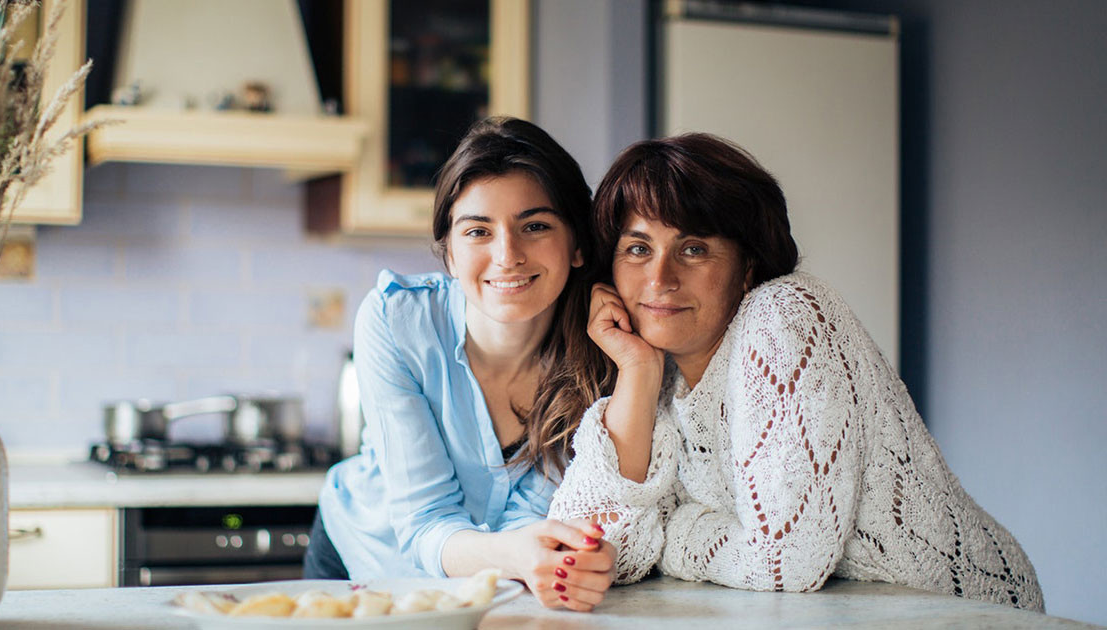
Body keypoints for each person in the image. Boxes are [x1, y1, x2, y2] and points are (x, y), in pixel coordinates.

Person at [549, 133, 1044, 611]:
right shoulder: (660, 375)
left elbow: (787, 562)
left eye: (694, 248)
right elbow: (584, 551)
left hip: (970, 610)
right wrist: (636, 372)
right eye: (638, 249)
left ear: (747, 268)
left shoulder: (784, 315)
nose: (660, 278)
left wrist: (674, 532)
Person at [310, 117, 616, 612]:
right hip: (366, 560)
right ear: (448, 253)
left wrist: (543, 555)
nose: (507, 255)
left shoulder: (604, 352)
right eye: (478, 231)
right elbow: (425, 520)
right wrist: (518, 553)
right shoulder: (396, 320)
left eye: (534, 226)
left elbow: (544, 524)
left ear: (577, 244)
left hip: (500, 585)